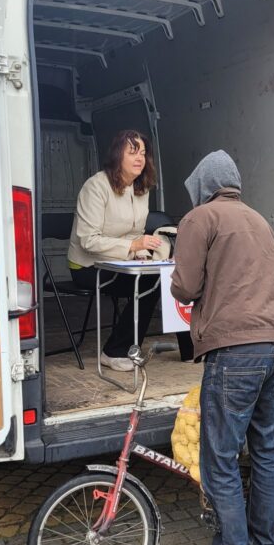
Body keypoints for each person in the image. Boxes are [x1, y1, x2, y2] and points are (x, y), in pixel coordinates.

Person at [171, 151, 274, 545]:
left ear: (202, 187)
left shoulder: (199, 218)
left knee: (220, 460)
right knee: (266, 450)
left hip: (235, 352)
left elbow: (185, 288)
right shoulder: (260, 220)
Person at [68, 129, 191, 371]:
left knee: (169, 276)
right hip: (87, 266)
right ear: (117, 155)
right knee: (147, 283)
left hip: (123, 262)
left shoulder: (141, 188)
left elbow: (135, 232)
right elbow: (87, 240)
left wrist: (142, 253)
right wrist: (132, 246)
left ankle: (191, 350)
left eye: (143, 153)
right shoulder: (96, 186)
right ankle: (114, 352)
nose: (140, 158)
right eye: (133, 152)